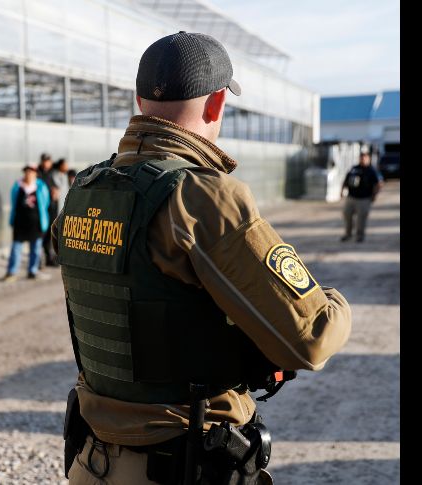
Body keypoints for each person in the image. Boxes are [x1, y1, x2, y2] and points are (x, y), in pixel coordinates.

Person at [53, 32, 352, 484]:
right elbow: (310, 339)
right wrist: (333, 302)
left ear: (139, 100)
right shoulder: (202, 196)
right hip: (178, 465)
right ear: (216, 105)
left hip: (90, 463)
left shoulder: (84, 191)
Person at [4, 163, 50, 281]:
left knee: (35, 248)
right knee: (16, 248)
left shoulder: (40, 186)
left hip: (36, 223)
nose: (29, 174)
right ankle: (12, 271)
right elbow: (14, 202)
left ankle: (32, 270)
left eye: (32, 171)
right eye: (27, 171)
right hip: (20, 223)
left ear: (35, 174)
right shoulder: (18, 186)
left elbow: (46, 203)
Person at [340, 152, 383, 243]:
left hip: (364, 199)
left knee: (361, 218)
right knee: (347, 215)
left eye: (365, 158)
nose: (363, 159)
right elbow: (346, 180)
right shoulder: (354, 168)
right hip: (351, 197)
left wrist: (374, 195)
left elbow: (378, 184)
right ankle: (348, 234)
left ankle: (360, 236)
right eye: (361, 158)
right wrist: (342, 191)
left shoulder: (371, 171)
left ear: (368, 159)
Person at [37, 152, 59, 267]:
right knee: (41, 234)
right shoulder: (38, 173)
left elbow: (55, 185)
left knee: (50, 234)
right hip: (42, 209)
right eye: (45, 161)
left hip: (52, 207)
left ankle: (49, 258)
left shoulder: (51, 173)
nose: (47, 163)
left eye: (48, 161)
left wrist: (55, 190)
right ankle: (39, 260)